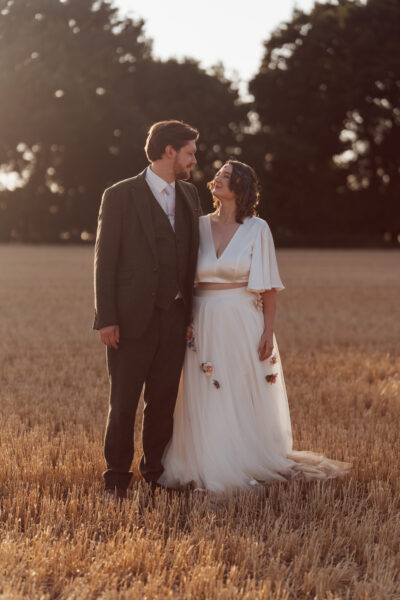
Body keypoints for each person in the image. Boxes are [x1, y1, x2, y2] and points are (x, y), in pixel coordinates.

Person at [158, 160, 351, 493]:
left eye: (227, 176)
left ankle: (241, 459)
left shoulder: (258, 229)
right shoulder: (197, 225)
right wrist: (185, 317)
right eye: (218, 174)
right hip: (202, 320)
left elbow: (269, 287)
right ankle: (203, 462)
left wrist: (268, 330)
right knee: (204, 391)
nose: (217, 178)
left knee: (238, 391)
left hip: (242, 321)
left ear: (242, 188)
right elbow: (183, 279)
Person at [93, 120, 202, 499]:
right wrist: (106, 317)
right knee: (122, 403)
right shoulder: (120, 194)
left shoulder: (190, 196)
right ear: (169, 151)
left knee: (163, 403)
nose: (193, 159)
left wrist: (189, 315)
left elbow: (190, 260)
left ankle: (156, 474)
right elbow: (104, 260)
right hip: (129, 319)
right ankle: (116, 478)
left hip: (173, 318)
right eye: (189, 151)